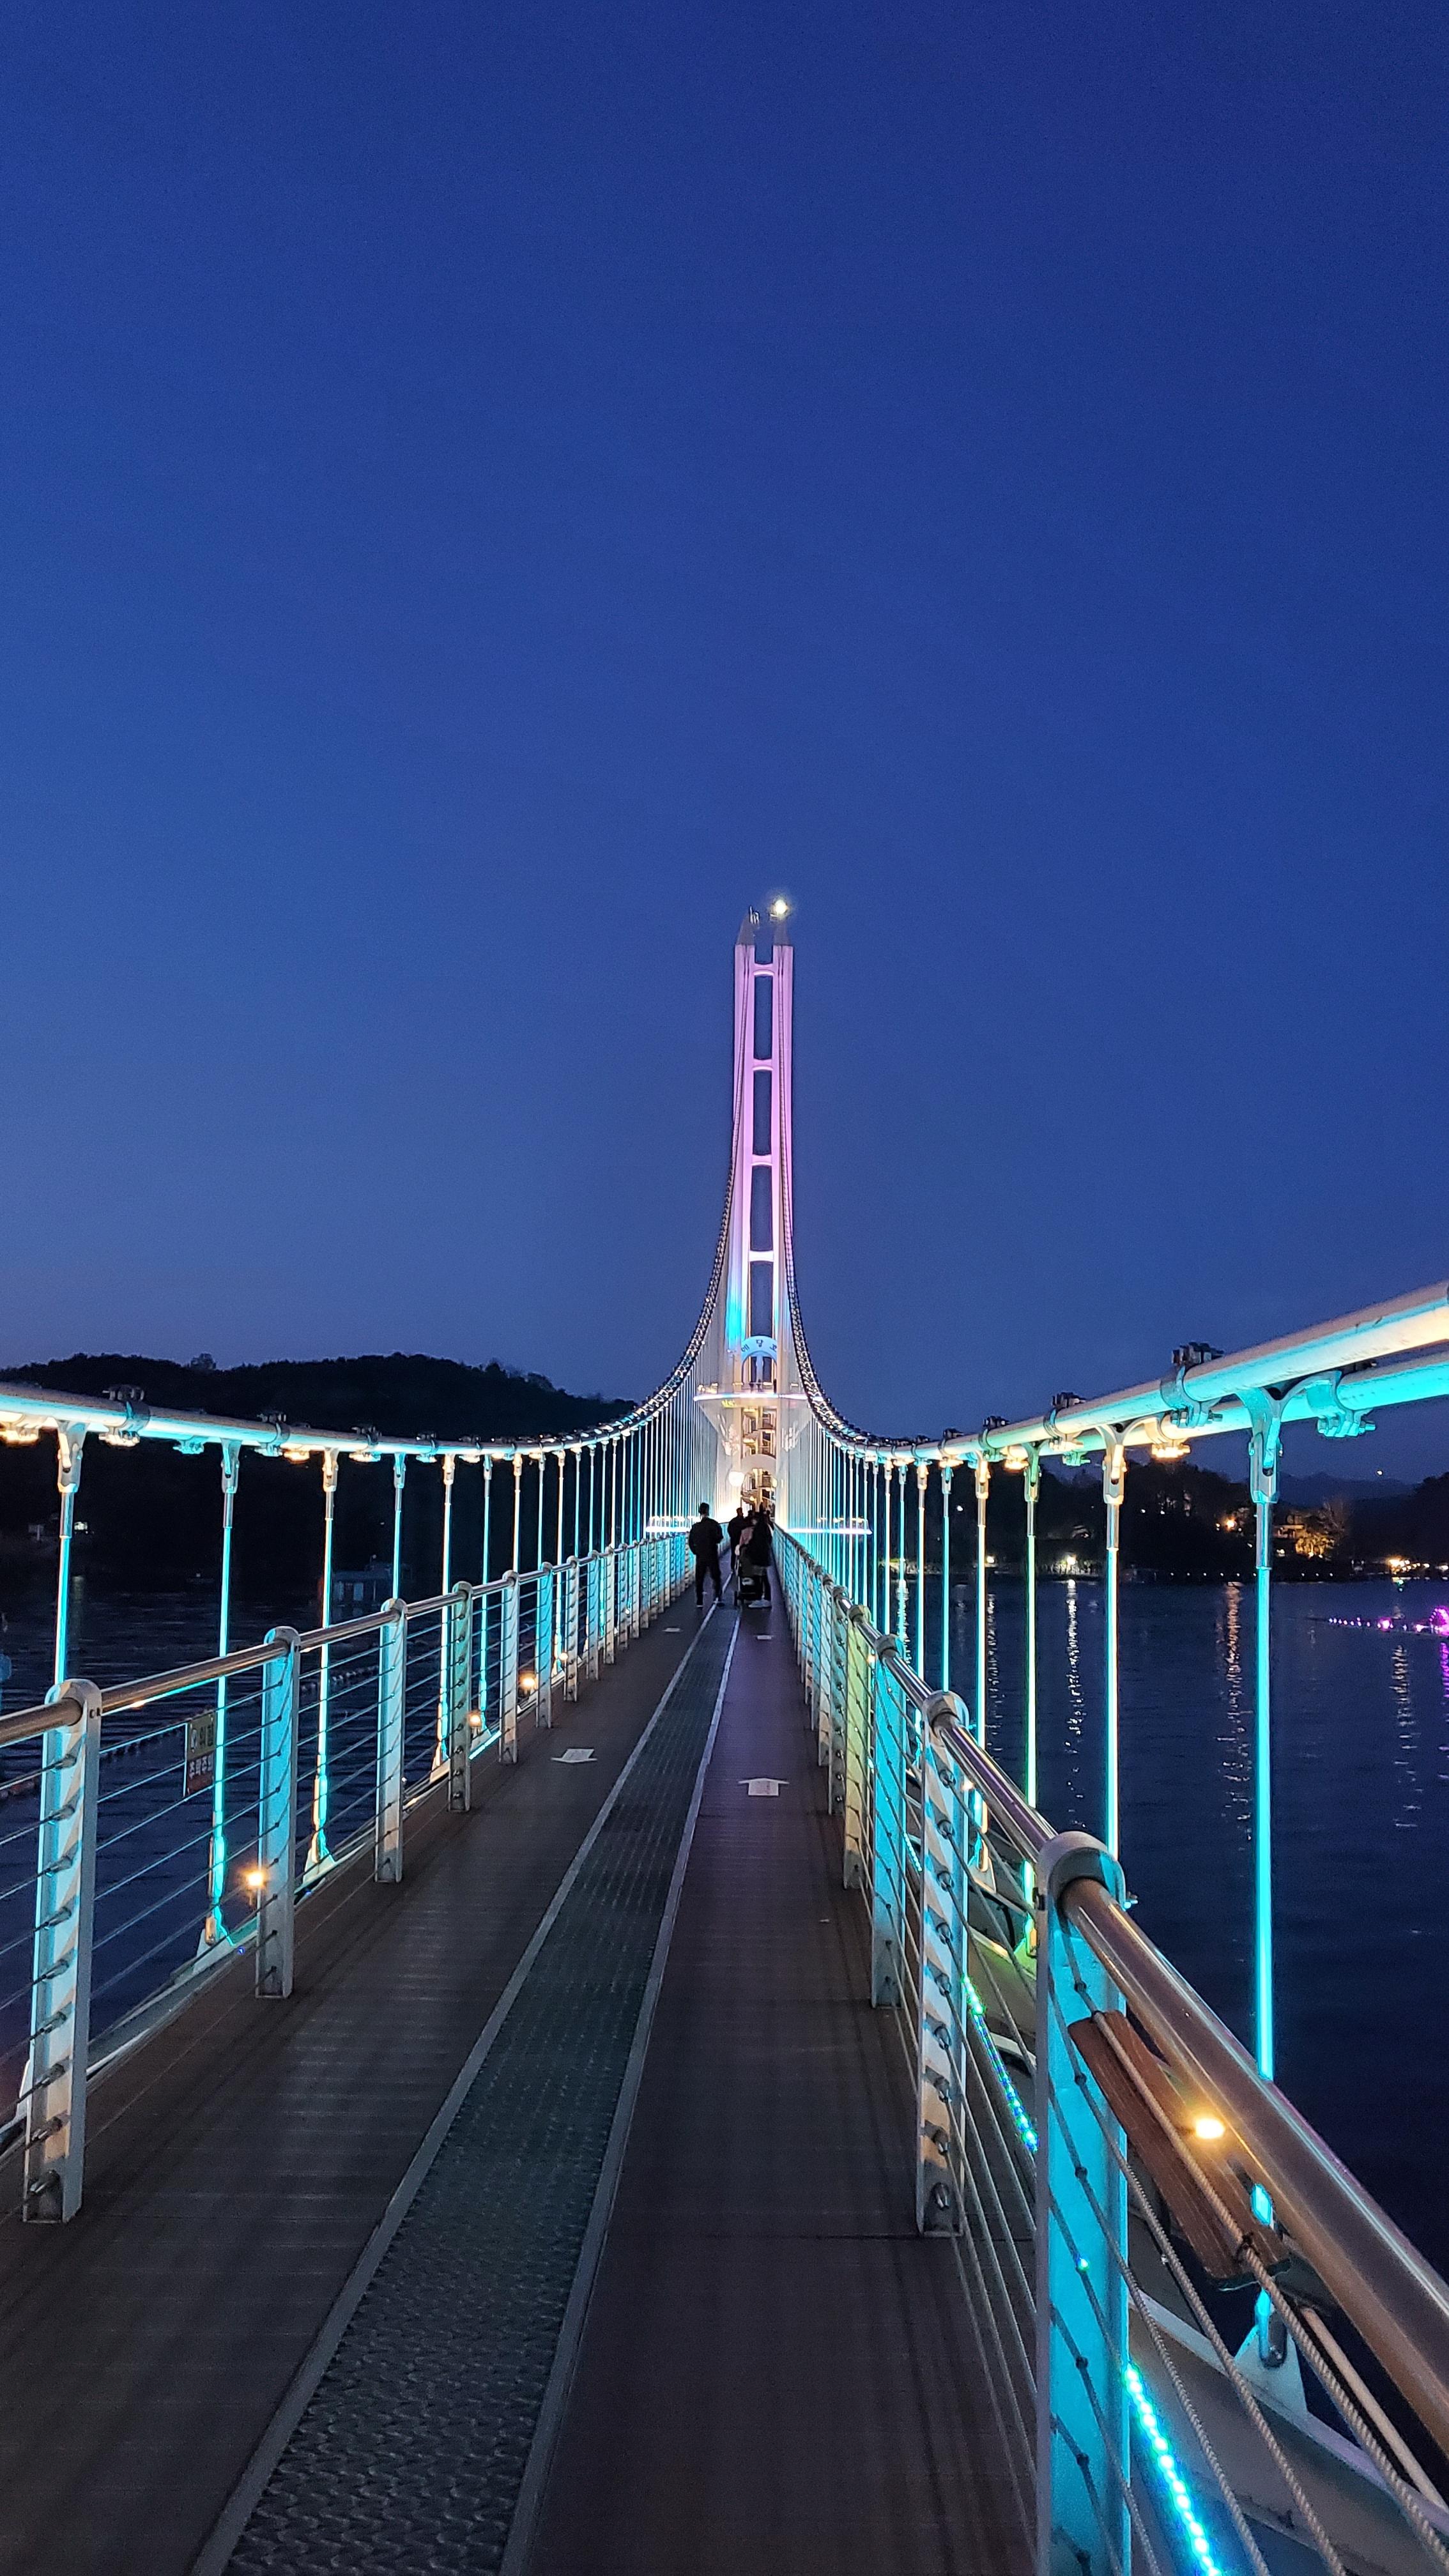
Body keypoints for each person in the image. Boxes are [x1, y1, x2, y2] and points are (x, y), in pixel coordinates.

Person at [687, 1502, 724, 1605]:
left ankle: (699, 1601)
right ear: (708, 1511)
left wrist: (696, 1551)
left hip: (700, 1556)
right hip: (712, 1554)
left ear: (699, 1512)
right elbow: (720, 1538)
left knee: (699, 1579)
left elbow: (690, 1542)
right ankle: (718, 1597)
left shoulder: (695, 1527)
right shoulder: (714, 1524)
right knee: (716, 1576)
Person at [743, 1503, 774, 1602]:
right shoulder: (766, 1528)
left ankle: (759, 1598)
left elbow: (755, 1543)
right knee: (764, 1577)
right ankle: (767, 1598)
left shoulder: (758, 1529)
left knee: (758, 1578)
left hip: (759, 1558)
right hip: (765, 1556)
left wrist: (748, 1550)